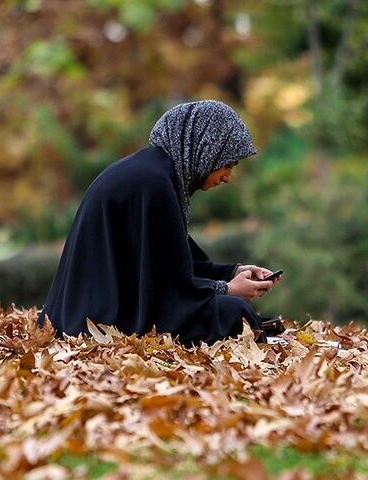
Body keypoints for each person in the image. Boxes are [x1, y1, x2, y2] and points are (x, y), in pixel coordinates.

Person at [36, 100, 282, 344]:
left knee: (232, 311)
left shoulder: (153, 173)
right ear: (206, 149)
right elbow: (168, 286)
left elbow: (173, 262)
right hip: (101, 321)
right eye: (227, 164)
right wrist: (227, 289)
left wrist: (234, 273)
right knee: (235, 313)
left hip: (90, 311)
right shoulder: (153, 184)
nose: (227, 177)